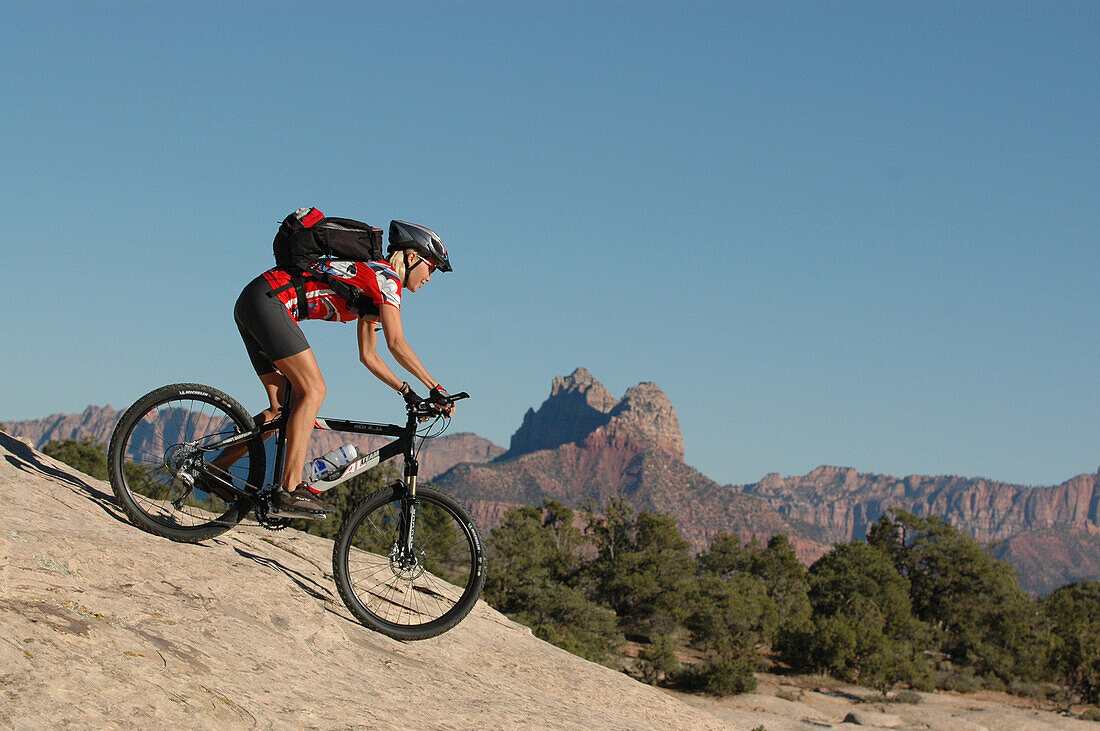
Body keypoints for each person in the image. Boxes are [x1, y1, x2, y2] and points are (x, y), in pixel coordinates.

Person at [231, 219, 455, 515]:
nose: (431, 276)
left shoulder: (373, 280)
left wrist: (406, 391)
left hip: (255, 300)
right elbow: (397, 344)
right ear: (412, 258)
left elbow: (369, 356)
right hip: (270, 303)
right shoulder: (387, 279)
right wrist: (435, 388)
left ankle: (212, 470)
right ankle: (290, 488)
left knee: (280, 410)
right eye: (432, 266)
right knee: (313, 389)